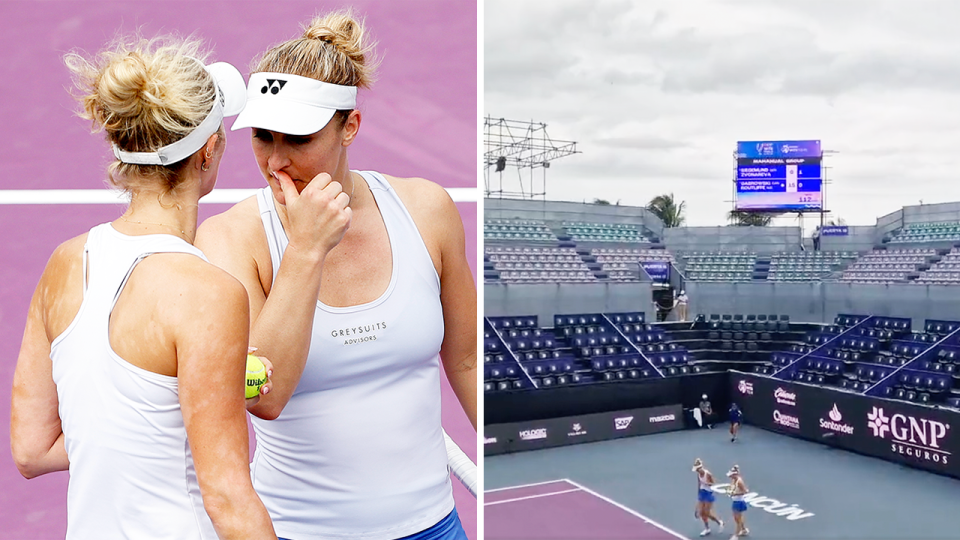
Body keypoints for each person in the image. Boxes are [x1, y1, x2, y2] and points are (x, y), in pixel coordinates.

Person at [195, 9, 477, 540]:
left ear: (350, 127)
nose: (275, 161)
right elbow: (263, 395)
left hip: (436, 527)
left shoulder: (427, 209)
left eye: (297, 140)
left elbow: (464, 358)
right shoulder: (229, 239)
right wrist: (305, 251)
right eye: (262, 136)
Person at [10, 35, 277, 539]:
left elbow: (31, 449)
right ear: (208, 152)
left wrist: (171, 405)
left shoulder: (63, 263)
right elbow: (227, 498)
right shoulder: (209, 293)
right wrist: (204, 401)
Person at [692, 458, 724, 537]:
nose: (696, 471)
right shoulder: (698, 474)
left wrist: (707, 483)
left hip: (709, 493)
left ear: (700, 468)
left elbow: (713, 483)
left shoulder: (708, 474)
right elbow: (699, 484)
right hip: (702, 493)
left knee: (707, 512)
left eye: (697, 469)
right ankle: (707, 529)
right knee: (702, 513)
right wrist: (698, 494)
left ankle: (720, 522)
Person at [726, 465, 750, 538]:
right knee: (736, 518)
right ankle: (744, 530)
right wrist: (730, 491)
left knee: (738, 518)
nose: (730, 477)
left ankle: (736, 536)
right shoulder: (734, 480)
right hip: (735, 501)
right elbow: (732, 488)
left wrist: (735, 493)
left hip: (739, 502)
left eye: (731, 475)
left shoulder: (739, 482)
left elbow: (745, 491)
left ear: (734, 474)